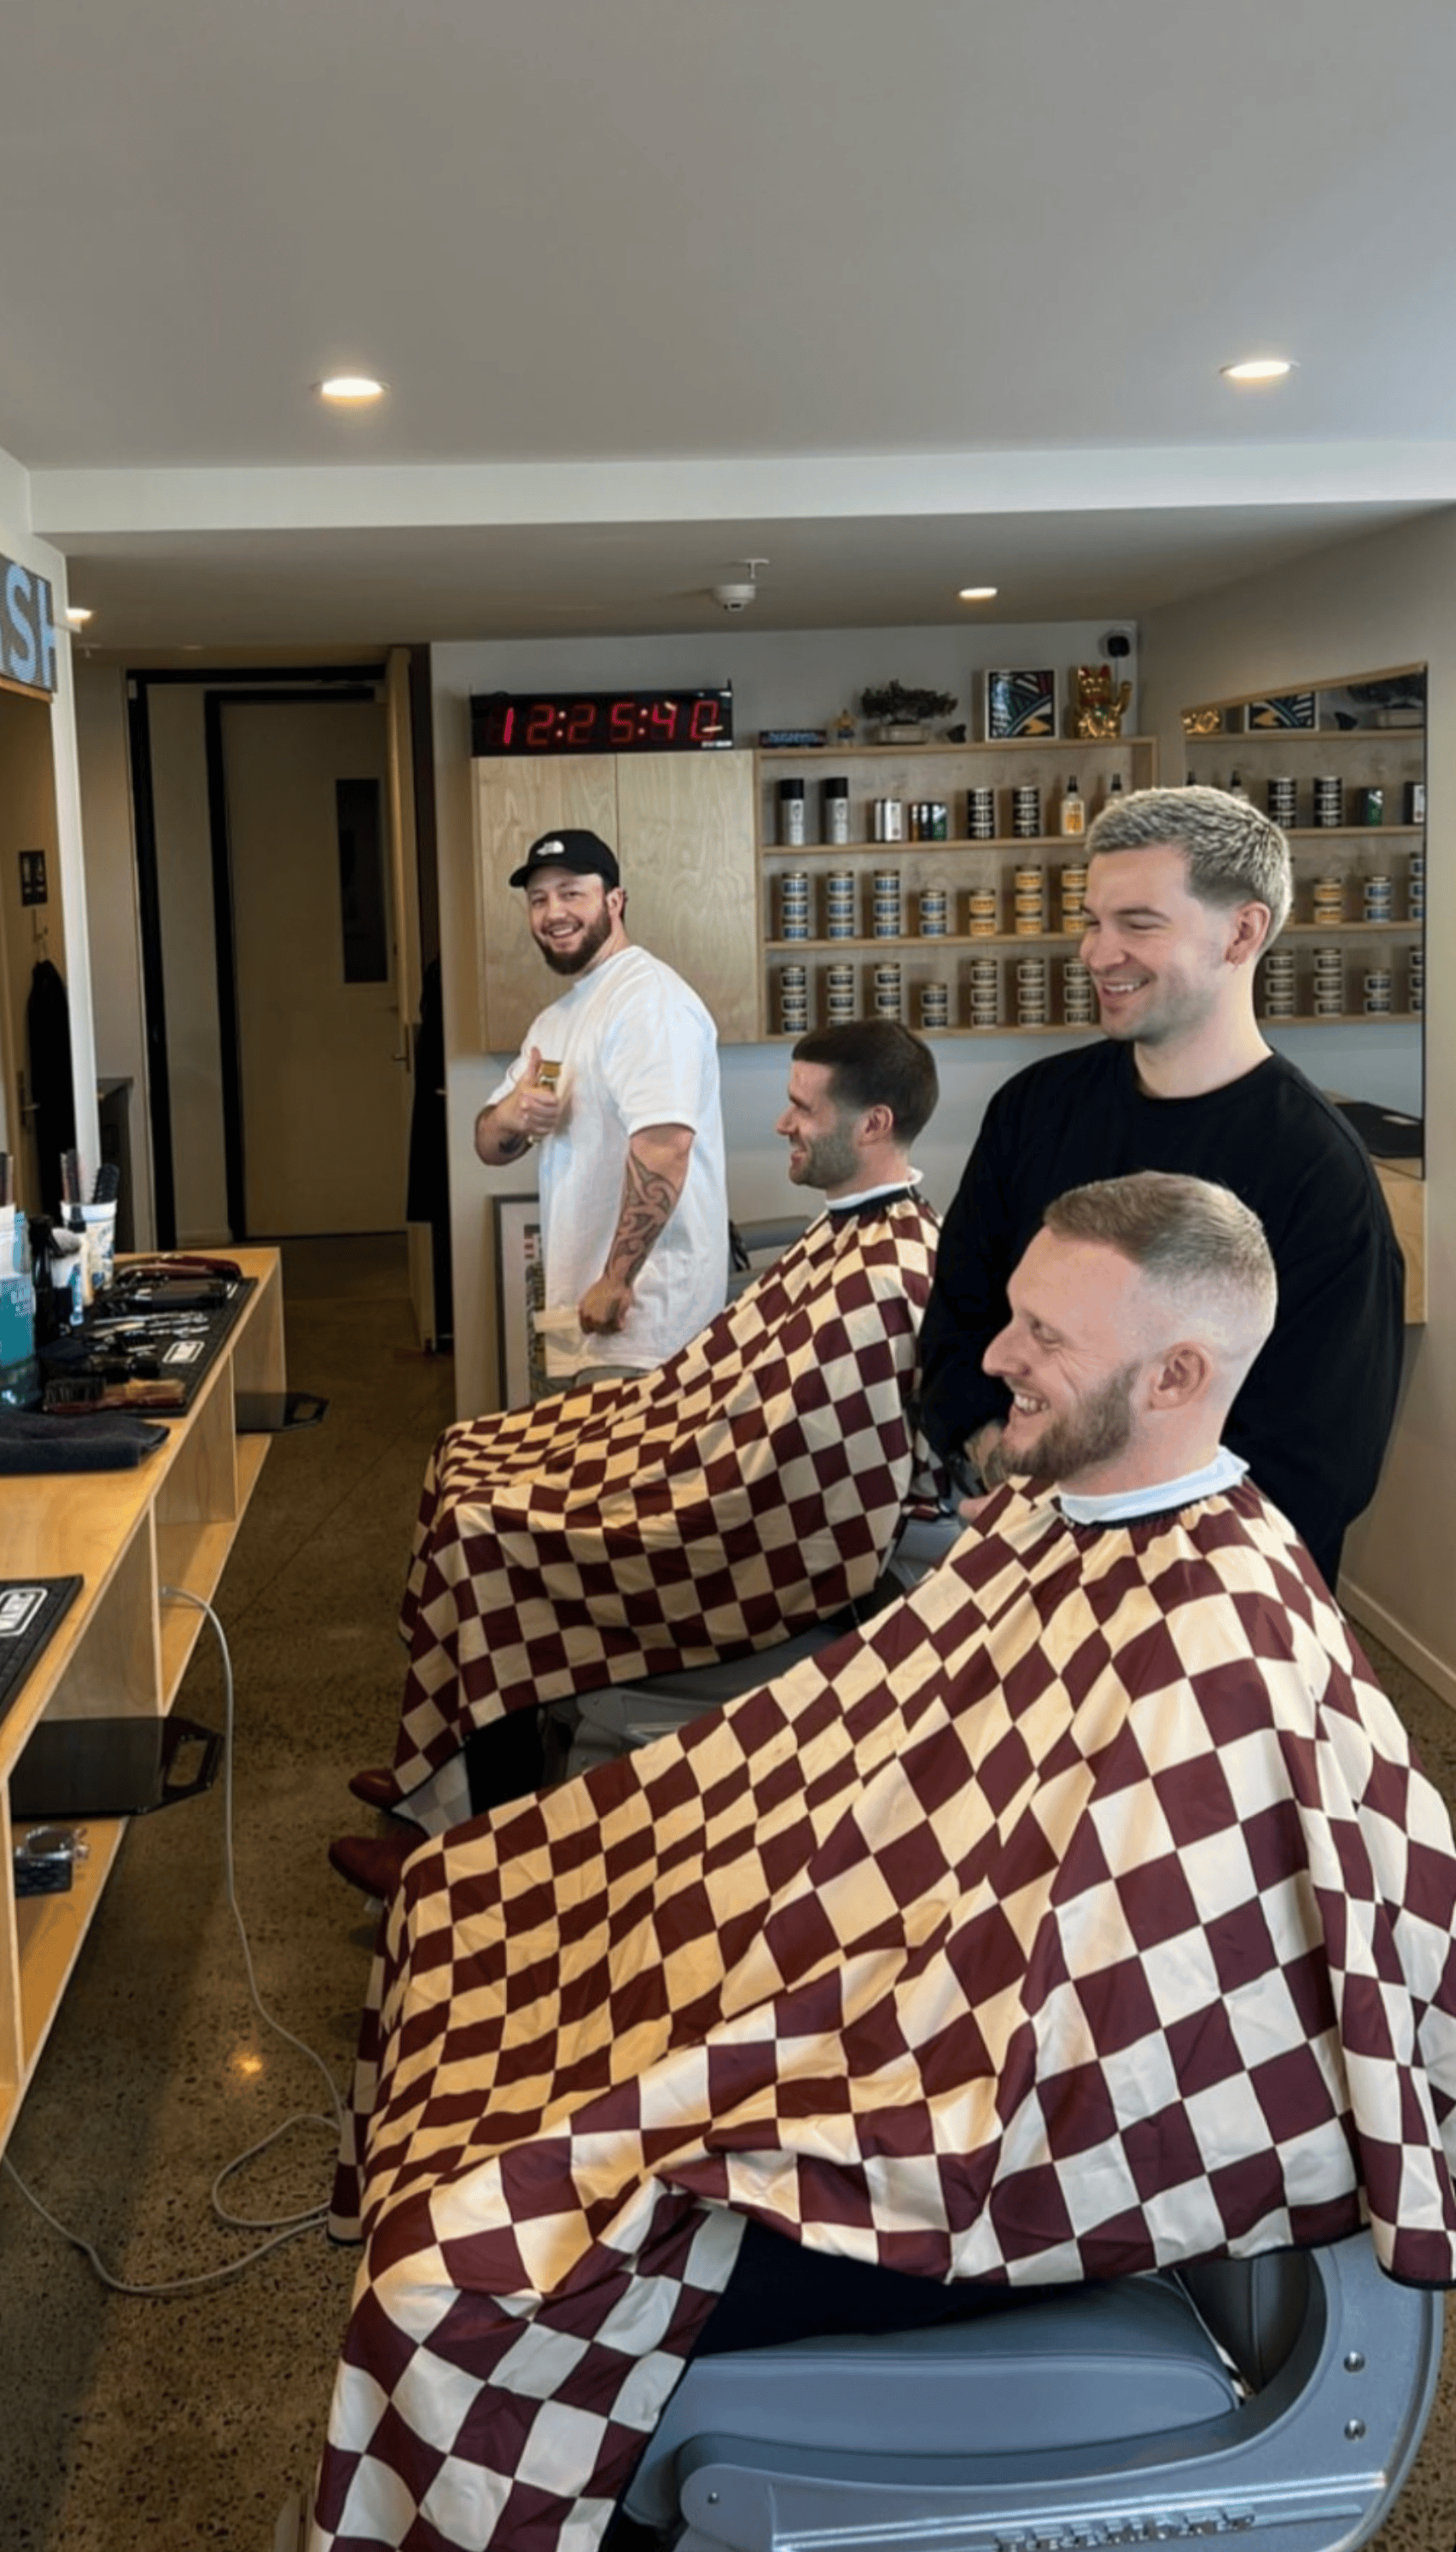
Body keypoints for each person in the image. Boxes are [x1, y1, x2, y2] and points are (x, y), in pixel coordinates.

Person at [314, 1174, 1456, 2552]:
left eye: (1045, 1335)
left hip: (975, 2161)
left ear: (1180, 1372)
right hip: (893, 2000)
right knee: (463, 1909)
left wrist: (790, 2069)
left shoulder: (1215, 1646)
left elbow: (1094, 2061)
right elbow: (875, 1768)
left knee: (462, 2275)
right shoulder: (1066, 1518)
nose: (993, 1356)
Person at [334, 1022, 943, 1866]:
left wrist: (653, 1466)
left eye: (801, 1108)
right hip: (691, 1449)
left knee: (482, 1527)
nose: (780, 1124)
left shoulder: (884, 1276)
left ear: (871, 1124)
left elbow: (800, 1475)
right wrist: (653, 1436)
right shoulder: (848, 1231)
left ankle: (470, 1844)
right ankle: (443, 1771)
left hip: (736, 1528)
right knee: (465, 1450)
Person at [918, 784, 1403, 1589]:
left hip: (1196, 1605)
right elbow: (960, 1325)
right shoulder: (1033, 1111)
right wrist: (1007, 1470)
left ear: (1242, 932)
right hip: (1014, 1557)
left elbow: (1319, 1464)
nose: (1096, 953)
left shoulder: (1318, 1176)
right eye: (1092, 921)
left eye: (1138, 924)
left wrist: (1092, 1532)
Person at [475, 829, 727, 1390]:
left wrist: (617, 1279)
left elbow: (665, 1146)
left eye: (571, 893)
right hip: (574, 1311)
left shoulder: (649, 1001)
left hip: (642, 1322)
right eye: (538, 899)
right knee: (574, 1472)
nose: (553, 912)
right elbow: (489, 1144)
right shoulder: (557, 1019)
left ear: (615, 901)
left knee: (628, 1480)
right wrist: (513, 1116)